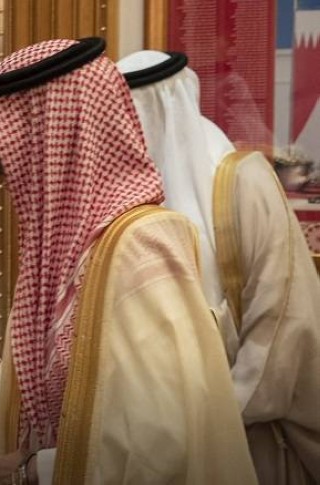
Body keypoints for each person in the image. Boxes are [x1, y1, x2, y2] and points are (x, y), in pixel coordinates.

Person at [0, 38, 256, 485]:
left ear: (63, 138)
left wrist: (34, 470)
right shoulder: (68, 256)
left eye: (8, 131)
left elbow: (163, 440)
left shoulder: (139, 245)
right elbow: (11, 406)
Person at [118, 50, 320, 484]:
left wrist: (214, 421)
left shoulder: (242, 180)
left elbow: (283, 320)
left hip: (246, 432)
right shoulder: (126, 196)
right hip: (156, 431)